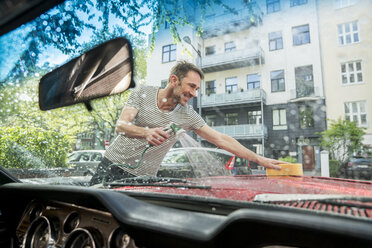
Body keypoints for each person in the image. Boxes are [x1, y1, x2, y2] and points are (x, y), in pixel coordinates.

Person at [90, 61, 285, 185]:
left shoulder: (188, 115)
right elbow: (121, 126)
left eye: (196, 89)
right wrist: (146, 132)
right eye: (191, 86)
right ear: (174, 80)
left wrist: (260, 160)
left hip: (144, 178)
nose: (193, 93)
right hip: (111, 166)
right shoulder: (143, 93)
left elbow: (221, 139)